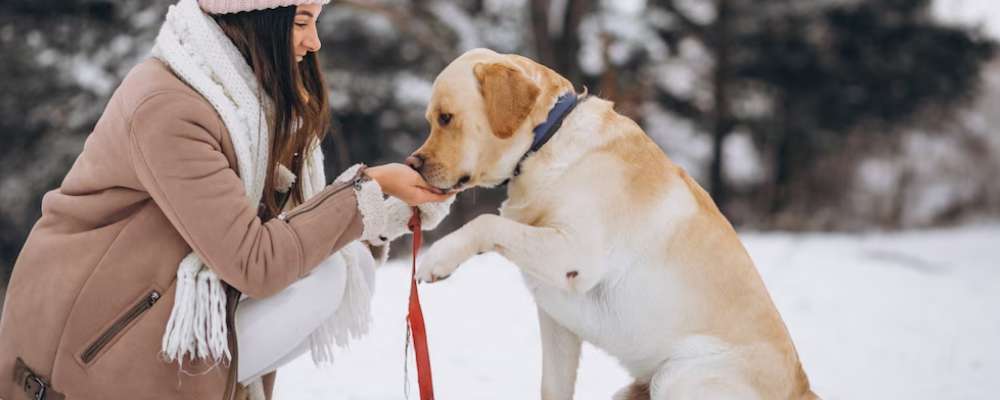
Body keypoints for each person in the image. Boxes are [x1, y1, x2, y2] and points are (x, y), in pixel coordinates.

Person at [0, 0, 452, 399]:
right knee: (326, 277)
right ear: (253, 17)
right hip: (84, 345)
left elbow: (290, 234)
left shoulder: (244, 101)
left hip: (151, 302)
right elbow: (257, 262)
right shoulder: (168, 107)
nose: (314, 42)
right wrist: (367, 191)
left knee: (343, 267)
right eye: (300, 22)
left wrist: (389, 206)